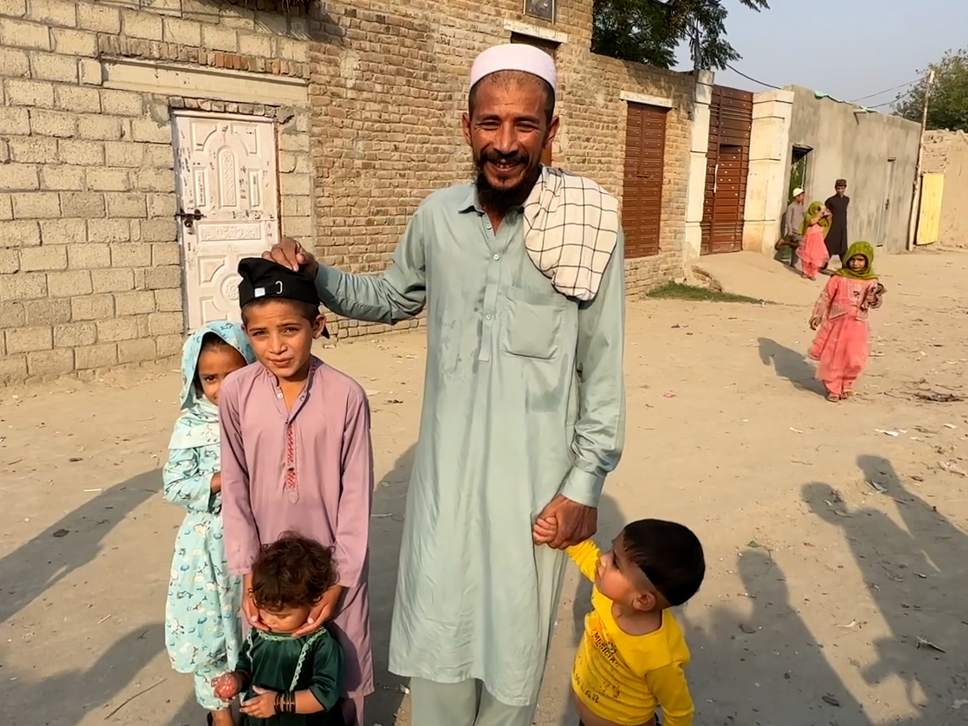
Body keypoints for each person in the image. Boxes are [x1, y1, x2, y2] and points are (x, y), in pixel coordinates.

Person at [264, 42, 626, 726]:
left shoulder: (588, 223)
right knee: (439, 635)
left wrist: (584, 486)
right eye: (491, 122)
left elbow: (602, 362)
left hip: (535, 482)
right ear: (467, 127)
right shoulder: (437, 216)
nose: (505, 143)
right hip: (446, 480)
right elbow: (392, 296)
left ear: (551, 130)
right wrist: (316, 274)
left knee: (515, 647)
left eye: (525, 124)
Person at [219, 258, 374, 726]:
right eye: (260, 334)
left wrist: (341, 580)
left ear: (317, 326)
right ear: (246, 334)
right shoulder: (236, 392)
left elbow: (356, 495)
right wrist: (248, 574)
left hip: (333, 567)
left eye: (290, 329)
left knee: (342, 673)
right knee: (270, 667)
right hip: (266, 573)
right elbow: (235, 485)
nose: (276, 346)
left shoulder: (346, 395)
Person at [164, 321, 255, 726]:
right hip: (207, 548)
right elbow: (175, 485)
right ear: (195, 380)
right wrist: (221, 479)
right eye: (210, 378)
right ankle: (220, 716)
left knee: (257, 623)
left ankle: (257, 705)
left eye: (232, 374)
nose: (221, 387)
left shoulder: (264, 416)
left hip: (257, 540)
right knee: (211, 632)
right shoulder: (190, 426)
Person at [531, 517, 704, 726]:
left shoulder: (659, 657)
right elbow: (584, 552)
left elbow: (679, 713)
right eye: (611, 551)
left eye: (615, 563)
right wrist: (560, 532)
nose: (603, 559)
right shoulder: (610, 593)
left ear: (642, 600)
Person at [212, 533, 345, 725]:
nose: (269, 620)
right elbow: (246, 667)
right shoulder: (258, 635)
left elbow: (325, 694)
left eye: (282, 616)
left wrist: (278, 703)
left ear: (313, 601)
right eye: (264, 610)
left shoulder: (320, 644)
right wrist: (236, 680)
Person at [808, 241, 885, 402]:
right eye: (853, 259)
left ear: (868, 261)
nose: (856, 264)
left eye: (860, 260)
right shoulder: (839, 278)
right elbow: (826, 297)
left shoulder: (871, 281)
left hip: (858, 325)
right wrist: (818, 315)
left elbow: (875, 304)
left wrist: (875, 296)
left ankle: (847, 383)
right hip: (837, 323)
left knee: (853, 357)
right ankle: (833, 388)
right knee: (833, 357)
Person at [796, 202, 831, 280]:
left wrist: (826, 215)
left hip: (818, 240)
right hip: (809, 239)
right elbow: (812, 222)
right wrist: (819, 214)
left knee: (816, 257)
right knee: (806, 255)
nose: (817, 211)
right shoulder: (809, 216)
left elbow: (826, 224)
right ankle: (805, 272)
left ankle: (812, 273)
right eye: (817, 209)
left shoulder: (823, 218)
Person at [774, 187, 805, 267]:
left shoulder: (801, 206)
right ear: (796, 196)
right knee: (800, 244)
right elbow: (788, 219)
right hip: (794, 230)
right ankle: (784, 242)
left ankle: (793, 263)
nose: (802, 198)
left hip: (799, 229)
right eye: (801, 196)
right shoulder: (791, 207)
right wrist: (790, 230)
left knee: (796, 247)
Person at [823, 179, 850, 266]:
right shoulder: (830, 201)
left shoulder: (846, 200)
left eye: (842, 188)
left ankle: (845, 267)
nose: (840, 190)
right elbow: (824, 213)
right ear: (835, 188)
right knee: (829, 247)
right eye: (838, 188)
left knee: (843, 249)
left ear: (845, 188)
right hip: (832, 228)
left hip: (842, 228)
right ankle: (822, 265)